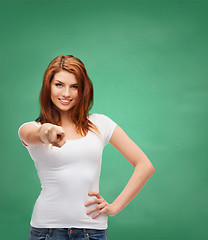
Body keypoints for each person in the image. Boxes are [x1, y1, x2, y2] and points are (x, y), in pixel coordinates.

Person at [18, 55, 155, 240]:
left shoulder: (101, 124)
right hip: (46, 231)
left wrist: (114, 207)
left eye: (74, 86)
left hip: (92, 231)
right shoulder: (32, 128)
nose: (66, 93)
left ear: (83, 90)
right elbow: (32, 135)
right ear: (48, 87)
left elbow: (145, 165)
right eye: (59, 84)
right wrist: (47, 132)